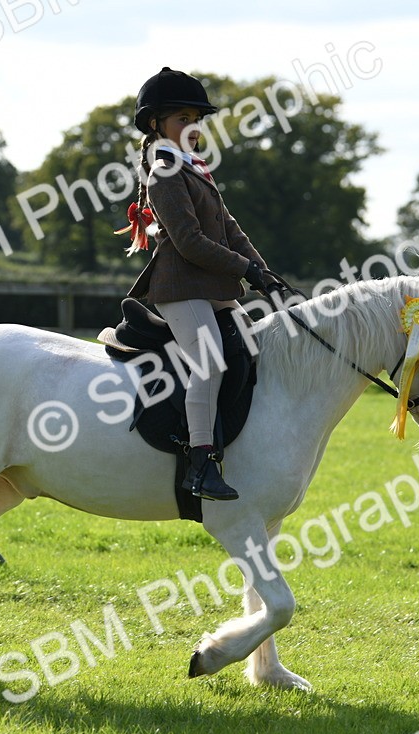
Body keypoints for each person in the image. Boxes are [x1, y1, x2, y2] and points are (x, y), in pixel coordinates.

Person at [120, 67, 281, 502]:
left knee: (253, 349)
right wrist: (244, 270)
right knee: (208, 363)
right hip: (180, 288)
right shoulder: (164, 175)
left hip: (212, 289)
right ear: (155, 124)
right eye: (182, 119)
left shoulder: (194, 169)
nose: (193, 128)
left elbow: (229, 227)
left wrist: (265, 274)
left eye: (197, 120)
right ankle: (200, 465)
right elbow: (190, 243)